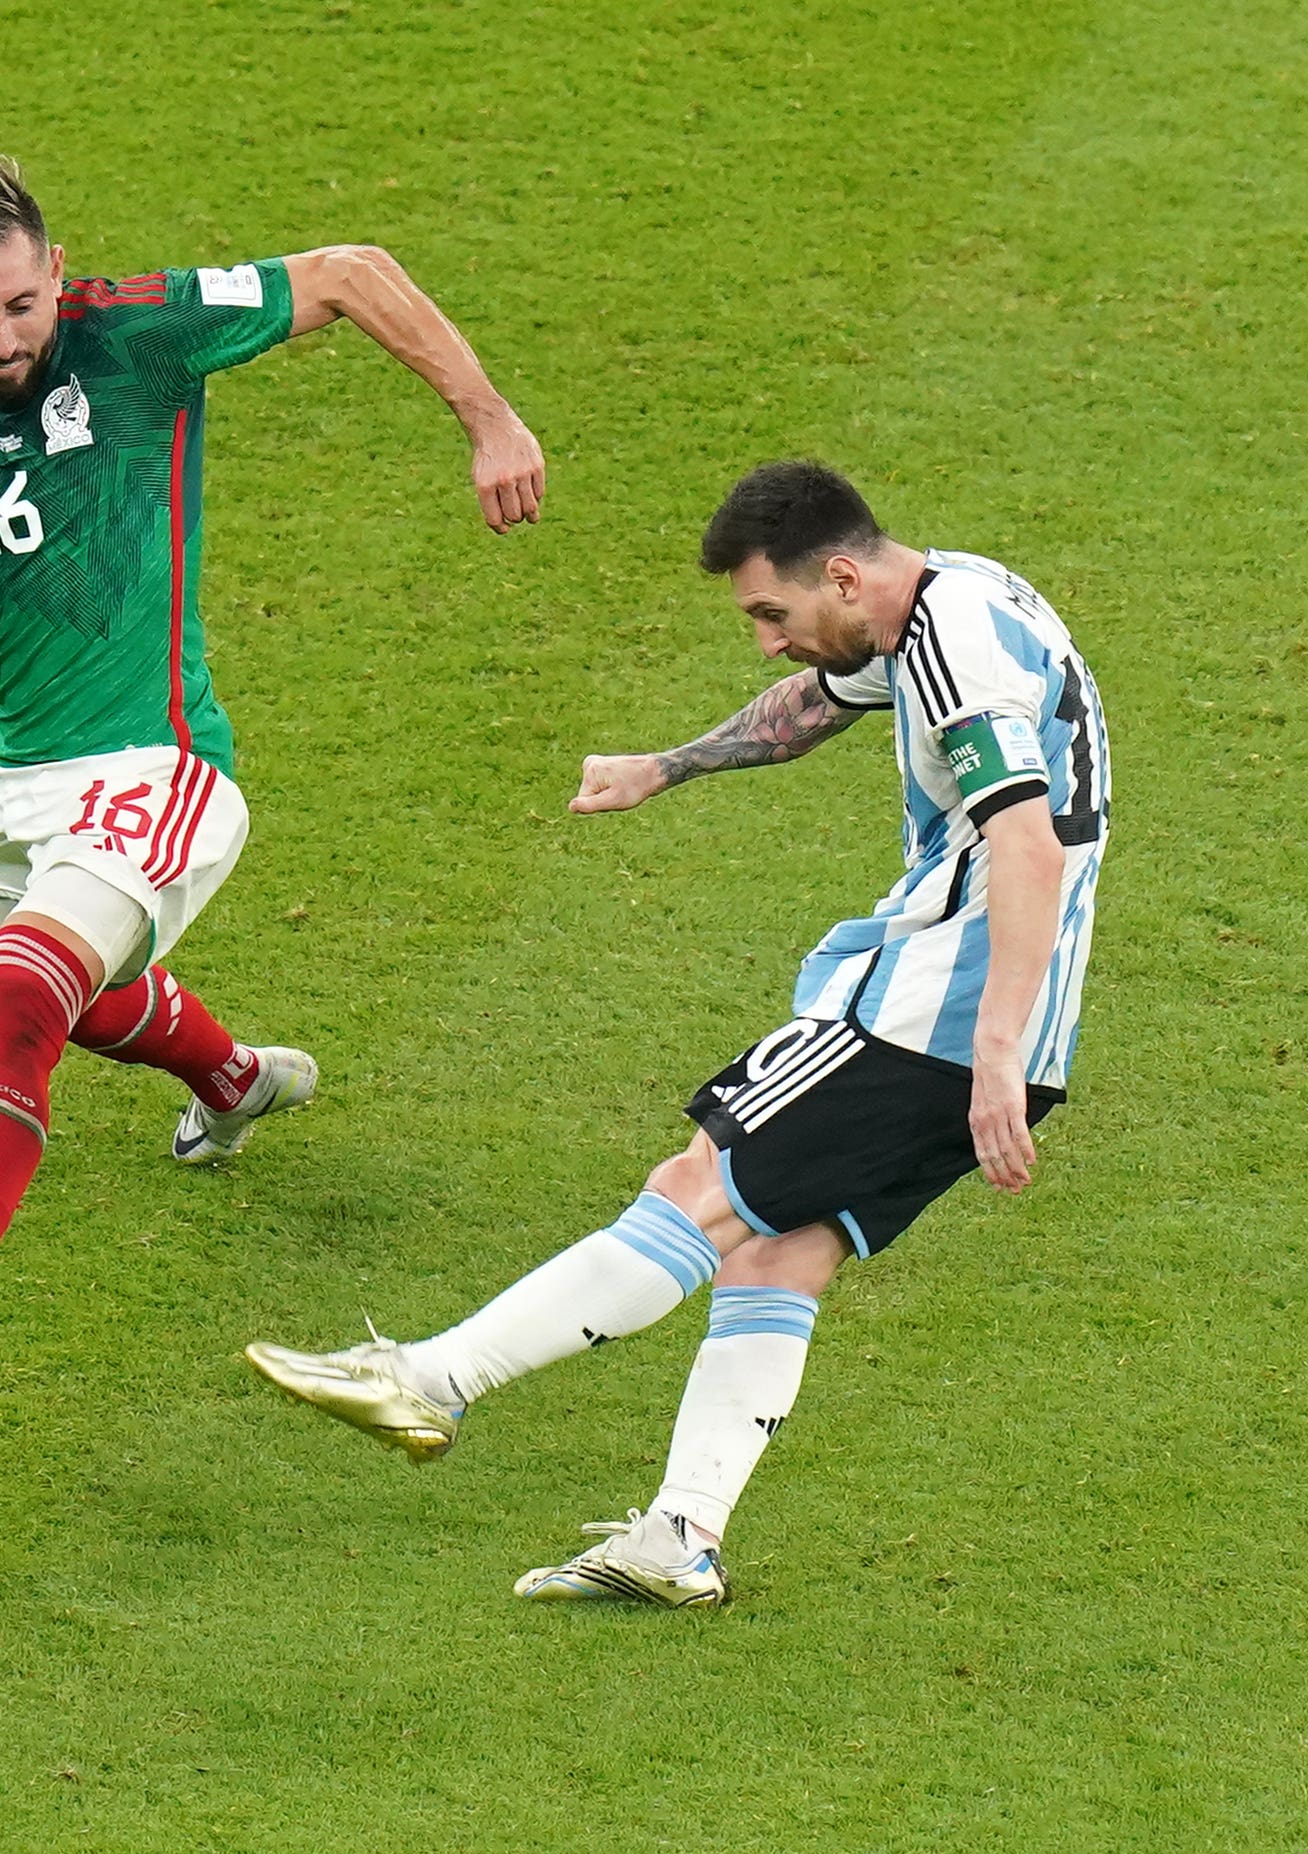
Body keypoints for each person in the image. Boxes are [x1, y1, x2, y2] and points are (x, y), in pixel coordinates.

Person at [0, 157, 545, 1405]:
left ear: (56, 274)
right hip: (15, 771)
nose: (4, 337)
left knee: (18, 989)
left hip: (158, 762)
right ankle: (229, 1081)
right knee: (70, 993)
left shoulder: (139, 336)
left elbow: (352, 274)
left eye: (23, 304)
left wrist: (489, 417)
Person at [245, 460, 1110, 1606]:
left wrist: (989, 1045)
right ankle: (679, 1536)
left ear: (841, 576)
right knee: (776, 1248)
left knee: (699, 1182)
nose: (765, 643)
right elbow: (813, 707)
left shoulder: (952, 642)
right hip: (989, 1017)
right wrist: (668, 766)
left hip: (934, 1007)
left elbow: (1029, 842)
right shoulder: (938, 604)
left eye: (773, 614)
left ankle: (430, 1378)